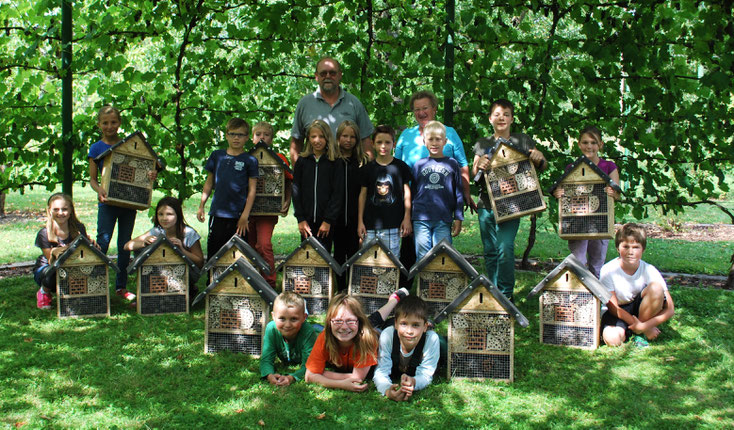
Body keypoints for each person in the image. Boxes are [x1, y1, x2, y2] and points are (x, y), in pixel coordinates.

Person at [472, 99, 547, 301]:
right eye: (497, 114)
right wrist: (481, 164)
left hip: (512, 204)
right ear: (490, 119)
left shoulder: (522, 141)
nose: (501, 117)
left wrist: (540, 158)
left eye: (505, 114)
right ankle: (493, 291)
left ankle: (505, 295)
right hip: (486, 203)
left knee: (505, 247)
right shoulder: (482, 143)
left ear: (512, 118)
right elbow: (474, 170)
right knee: (490, 250)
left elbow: (540, 163)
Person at [88, 105, 156, 302]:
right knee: (103, 241)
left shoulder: (130, 145)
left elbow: (146, 170)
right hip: (107, 203)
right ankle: (97, 284)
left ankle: (121, 286)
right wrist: (99, 190)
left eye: (114, 122)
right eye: (105, 123)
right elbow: (93, 179)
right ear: (99, 124)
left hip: (128, 204)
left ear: (120, 123)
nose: (110, 126)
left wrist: (152, 175)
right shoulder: (96, 148)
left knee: (124, 244)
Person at [552, 125, 622, 278]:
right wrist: (559, 194)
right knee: (579, 263)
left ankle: (595, 299)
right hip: (578, 223)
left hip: (601, 222)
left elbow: (617, 194)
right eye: (585, 142)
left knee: (597, 266)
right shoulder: (572, 168)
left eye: (593, 142)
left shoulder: (609, 166)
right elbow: (564, 193)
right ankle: (580, 298)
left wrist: (613, 193)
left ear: (600, 145)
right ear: (579, 144)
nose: (589, 146)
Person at [395, 90, 474, 211]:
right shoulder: (406, 135)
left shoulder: (450, 133)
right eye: (416, 109)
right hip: (412, 203)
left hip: (443, 203)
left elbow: (462, 165)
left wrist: (466, 192)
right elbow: (396, 168)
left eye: (425, 108)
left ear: (434, 109)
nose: (421, 113)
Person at [600, 223, 675, 347]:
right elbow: (613, 308)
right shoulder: (608, 270)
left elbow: (670, 309)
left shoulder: (649, 270)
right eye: (626, 246)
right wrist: (641, 326)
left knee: (656, 288)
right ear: (618, 248)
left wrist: (645, 325)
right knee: (612, 340)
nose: (630, 252)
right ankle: (634, 330)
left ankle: (639, 334)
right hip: (618, 311)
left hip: (641, 309)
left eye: (636, 247)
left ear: (643, 249)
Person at [289, 56, 374, 163]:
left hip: (348, 172)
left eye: (332, 73)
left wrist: (368, 172)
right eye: (323, 73)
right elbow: (296, 143)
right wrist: (297, 174)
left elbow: (365, 141)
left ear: (340, 75)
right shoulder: (305, 104)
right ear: (316, 76)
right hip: (315, 172)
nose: (328, 76)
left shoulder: (354, 103)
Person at [197, 118, 259, 259]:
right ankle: (213, 280)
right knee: (215, 249)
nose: (236, 138)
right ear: (226, 135)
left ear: (247, 137)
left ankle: (238, 280)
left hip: (238, 216)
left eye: (240, 135)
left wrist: (245, 215)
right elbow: (209, 182)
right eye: (232, 134)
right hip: (218, 212)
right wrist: (201, 205)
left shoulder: (250, 160)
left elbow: (252, 190)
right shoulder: (217, 156)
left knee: (239, 252)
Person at [124, 196, 204, 296]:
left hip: (183, 274)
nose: (164, 218)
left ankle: (188, 289)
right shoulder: (157, 231)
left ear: (178, 215)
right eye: (160, 214)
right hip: (159, 274)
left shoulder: (189, 233)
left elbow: (200, 262)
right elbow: (127, 246)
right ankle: (150, 291)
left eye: (169, 214)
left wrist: (182, 250)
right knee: (140, 249)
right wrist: (144, 242)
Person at [247, 121, 292, 288]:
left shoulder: (278, 158)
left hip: (268, 210)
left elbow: (288, 181)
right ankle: (253, 280)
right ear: (252, 138)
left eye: (266, 134)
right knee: (250, 246)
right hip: (247, 212)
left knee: (264, 244)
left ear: (271, 139)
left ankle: (269, 283)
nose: (262, 137)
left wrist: (286, 201)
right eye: (258, 134)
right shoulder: (246, 157)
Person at [304, 293, 380, 392]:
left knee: (379, 321)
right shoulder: (324, 338)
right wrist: (341, 384)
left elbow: (357, 379)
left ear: (359, 322)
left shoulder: (367, 339)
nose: (344, 327)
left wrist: (322, 374)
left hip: (380, 332)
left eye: (350, 321)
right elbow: (309, 376)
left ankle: (395, 299)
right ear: (329, 322)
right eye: (338, 321)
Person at [357, 125, 413, 258]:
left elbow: (407, 192)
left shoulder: (400, 167)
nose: (383, 146)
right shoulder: (368, 169)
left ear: (393, 144)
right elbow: (363, 195)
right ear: (373, 144)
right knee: (369, 260)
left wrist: (407, 217)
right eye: (379, 142)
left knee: (391, 261)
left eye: (387, 142)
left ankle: (389, 280)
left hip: (393, 224)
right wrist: (360, 221)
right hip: (370, 224)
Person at [411, 121, 464, 261]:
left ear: (445, 141)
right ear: (424, 141)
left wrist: (458, 217)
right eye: (430, 139)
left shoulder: (452, 164)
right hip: (421, 218)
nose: (434, 143)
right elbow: (413, 192)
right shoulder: (419, 165)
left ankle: (440, 283)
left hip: (443, 217)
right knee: (422, 257)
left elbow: (458, 192)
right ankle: (423, 283)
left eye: (438, 139)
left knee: (443, 255)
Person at [373, 296, 440, 402]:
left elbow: (426, 374)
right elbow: (381, 371)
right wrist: (387, 390)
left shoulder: (431, 339)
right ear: (396, 324)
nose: (409, 331)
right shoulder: (388, 335)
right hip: (386, 332)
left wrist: (414, 381)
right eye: (404, 324)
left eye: (415, 325)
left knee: (443, 344)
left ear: (425, 327)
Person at [33, 193, 94, 309]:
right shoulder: (43, 233)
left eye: (64, 209)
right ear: (50, 210)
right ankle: (44, 292)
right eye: (56, 209)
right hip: (48, 268)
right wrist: (60, 250)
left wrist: (91, 246)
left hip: (73, 264)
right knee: (56, 270)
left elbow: (83, 252)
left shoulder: (79, 228)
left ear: (71, 210)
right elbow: (51, 260)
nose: (60, 213)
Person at [291, 120, 344, 252]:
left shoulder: (335, 162)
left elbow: (338, 193)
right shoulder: (302, 161)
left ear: (327, 138)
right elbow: (296, 190)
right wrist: (300, 219)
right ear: (308, 138)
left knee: (323, 256)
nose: (317, 140)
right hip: (306, 221)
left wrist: (328, 220)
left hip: (326, 221)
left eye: (321, 136)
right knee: (307, 255)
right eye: (313, 136)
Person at [333, 120, 370, 292]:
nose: (348, 140)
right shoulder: (332, 161)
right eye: (344, 136)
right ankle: (340, 289)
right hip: (336, 217)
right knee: (339, 254)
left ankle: (353, 288)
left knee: (354, 253)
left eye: (352, 137)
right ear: (338, 137)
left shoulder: (362, 162)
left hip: (356, 216)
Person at [260, 292, 319, 387]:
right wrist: (269, 375)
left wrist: (292, 377)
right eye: (282, 319)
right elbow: (266, 359)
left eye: (294, 319)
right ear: (273, 316)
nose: (287, 325)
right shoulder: (271, 329)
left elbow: (310, 366)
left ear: (304, 317)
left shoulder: (308, 332)